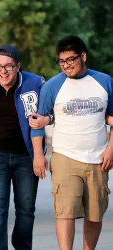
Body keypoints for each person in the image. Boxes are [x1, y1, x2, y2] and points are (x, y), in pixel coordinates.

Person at [31, 35, 113, 250]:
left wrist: (111, 150)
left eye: (71, 60)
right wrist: (38, 155)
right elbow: (37, 123)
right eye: (62, 61)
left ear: (83, 56)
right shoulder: (52, 86)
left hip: (98, 158)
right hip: (65, 157)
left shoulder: (104, 82)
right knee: (65, 212)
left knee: (94, 214)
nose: (66, 65)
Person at [0, 44, 48, 250]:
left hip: (26, 155)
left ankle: (22, 246)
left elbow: (48, 114)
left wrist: (39, 152)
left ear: (18, 67)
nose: (3, 71)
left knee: (26, 208)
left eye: (8, 66)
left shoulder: (36, 83)